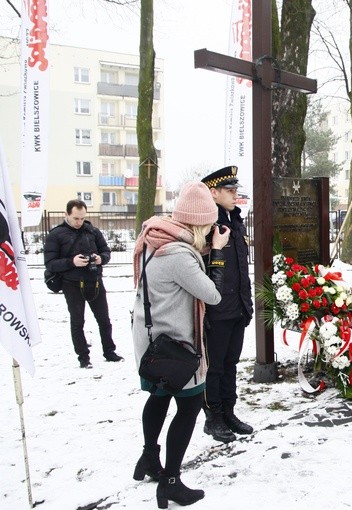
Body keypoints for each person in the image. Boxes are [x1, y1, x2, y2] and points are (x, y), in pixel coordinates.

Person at [132, 181, 230, 508]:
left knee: (158, 397)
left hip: (151, 342)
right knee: (188, 408)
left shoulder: (153, 239)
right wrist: (216, 253)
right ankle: (171, 481)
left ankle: (148, 458)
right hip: (177, 348)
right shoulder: (178, 255)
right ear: (199, 222)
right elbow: (212, 295)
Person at [200, 166, 255, 443]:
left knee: (231, 363)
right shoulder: (206, 224)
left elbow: (241, 268)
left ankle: (229, 411)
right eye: (230, 191)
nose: (236, 195)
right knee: (215, 366)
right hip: (217, 308)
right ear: (214, 193)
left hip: (237, 306)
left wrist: (247, 303)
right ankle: (214, 416)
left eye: (236, 190)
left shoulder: (235, 220)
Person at [43, 199, 123, 368]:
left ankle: (109, 352)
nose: (79, 222)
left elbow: (106, 251)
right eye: (76, 218)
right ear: (66, 215)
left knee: (104, 320)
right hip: (71, 284)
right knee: (78, 322)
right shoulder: (56, 234)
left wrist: (102, 259)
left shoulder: (92, 230)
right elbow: (50, 263)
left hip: (94, 281)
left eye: (82, 218)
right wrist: (71, 262)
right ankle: (83, 357)